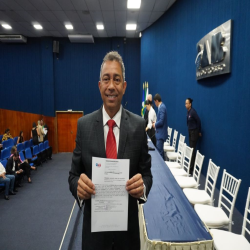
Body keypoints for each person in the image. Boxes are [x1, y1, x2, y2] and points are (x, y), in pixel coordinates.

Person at [68, 51, 152, 250]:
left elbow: (147, 174)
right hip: (94, 237)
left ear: (124, 86)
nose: (111, 86)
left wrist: (143, 188)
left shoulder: (139, 126)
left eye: (117, 79)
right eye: (106, 79)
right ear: (100, 86)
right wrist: (78, 188)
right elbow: (73, 175)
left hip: (128, 236)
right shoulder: (84, 125)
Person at [185, 98, 201, 175]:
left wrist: (199, 131)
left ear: (190, 104)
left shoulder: (193, 112)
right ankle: (190, 167)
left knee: (192, 150)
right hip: (190, 132)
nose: (185, 105)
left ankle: (191, 169)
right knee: (191, 150)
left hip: (194, 132)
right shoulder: (188, 112)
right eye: (185, 103)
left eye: (187, 103)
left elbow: (198, 121)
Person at [152, 94, 168, 159]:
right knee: (160, 153)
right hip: (159, 133)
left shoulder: (162, 107)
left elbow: (161, 121)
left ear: (157, 101)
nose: (155, 104)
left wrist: (155, 124)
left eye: (154, 102)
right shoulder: (161, 107)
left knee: (159, 154)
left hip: (161, 134)